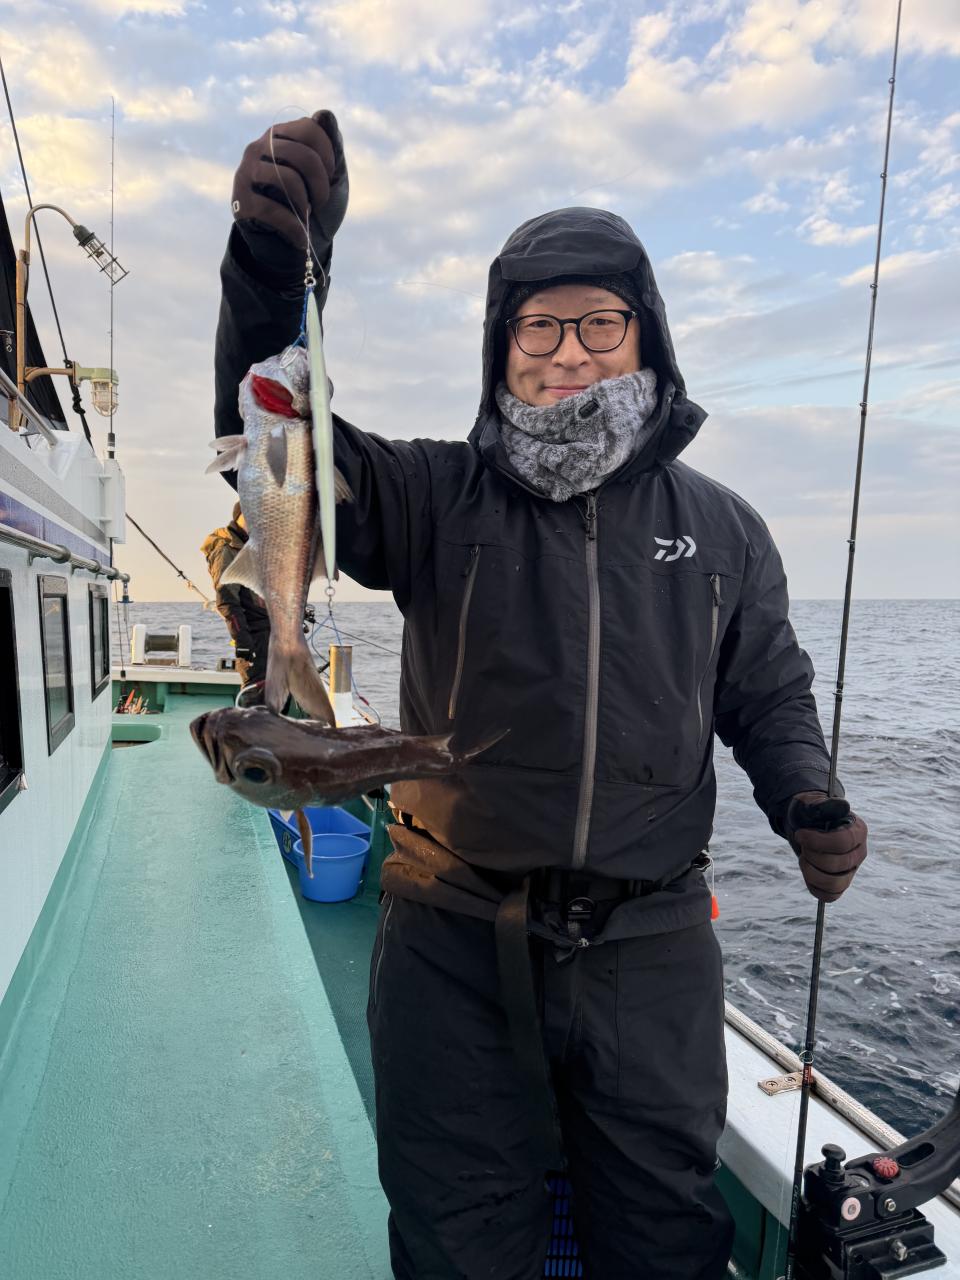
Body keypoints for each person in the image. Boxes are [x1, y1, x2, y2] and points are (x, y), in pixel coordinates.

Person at [213, 112, 868, 1279]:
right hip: (449, 933)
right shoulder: (432, 492)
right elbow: (276, 442)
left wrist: (805, 792)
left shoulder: (724, 527)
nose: (568, 351)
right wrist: (272, 280)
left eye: (599, 321)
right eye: (538, 324)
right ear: (501, 343)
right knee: (456, 1239)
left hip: (653, 946)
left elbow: (767, 689)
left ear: (646, 335)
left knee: (666, 1238)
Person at [201, 501, 271, 688]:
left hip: (272, 635)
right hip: (253, 636)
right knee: (257, 694)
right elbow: (227, 600)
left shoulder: (254, 547)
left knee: (280, 694)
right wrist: (243, 641)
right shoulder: (227, 549)